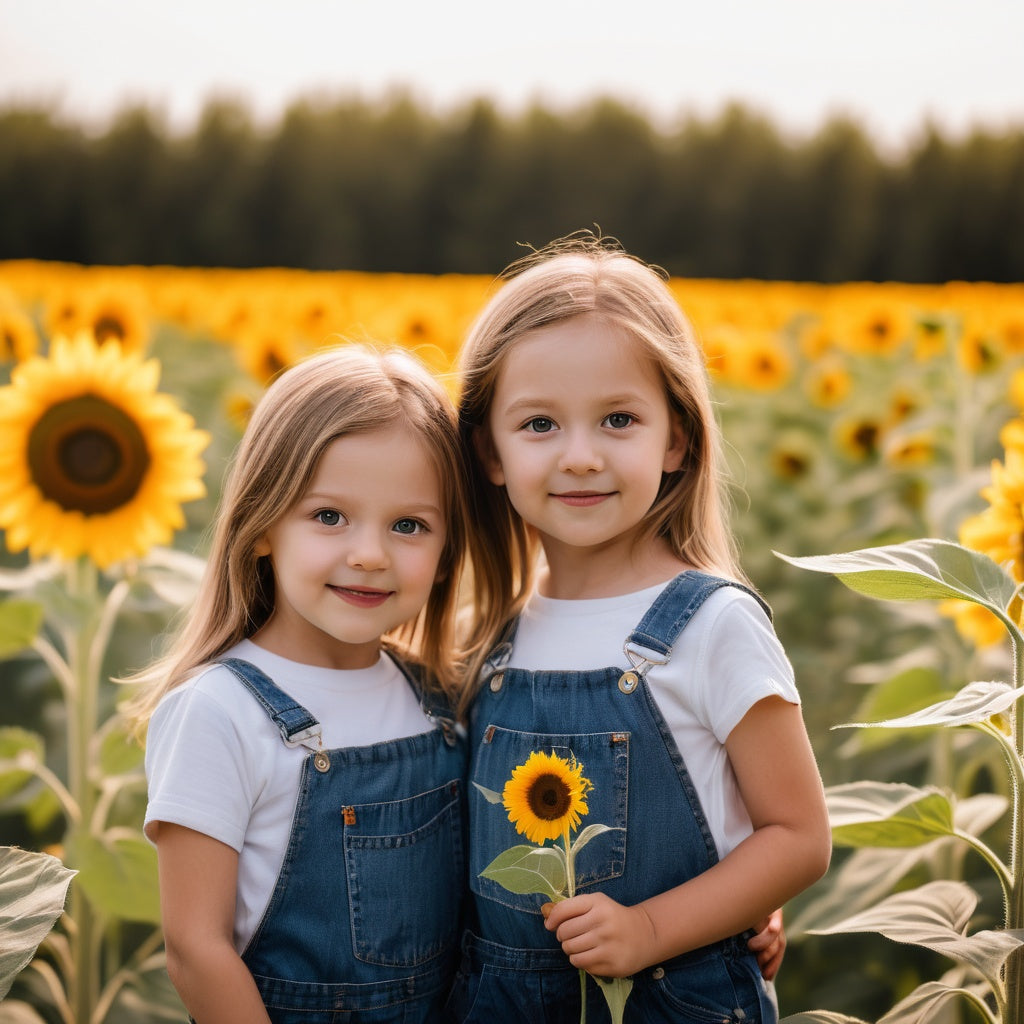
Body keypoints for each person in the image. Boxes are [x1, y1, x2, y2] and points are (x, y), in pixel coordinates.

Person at [447, 233, 831, 1023]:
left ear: (677, 437)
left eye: (618, 419)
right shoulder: (489, 633)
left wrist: (660, 925)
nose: (581, 456)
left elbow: (796, 835)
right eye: (540, 425)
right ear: (489, 451)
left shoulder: (711, 624)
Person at [128, 345, 472, 1024]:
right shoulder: (218, 712)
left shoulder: (440, 698)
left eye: (408, 525)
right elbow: (197, 949)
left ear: (443, 556)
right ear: (262, 526)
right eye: (329, 516)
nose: (369, 554)